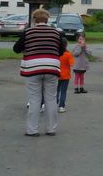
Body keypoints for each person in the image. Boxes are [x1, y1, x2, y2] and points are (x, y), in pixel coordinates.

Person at [13, 8, 66, 137]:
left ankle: (32, 130)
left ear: (34, 20)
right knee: (51, 99)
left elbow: (16, 49)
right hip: (52, 68)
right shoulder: (55, 32)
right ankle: (51, 129)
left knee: (34, 99)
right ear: (47, 19)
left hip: (33, 68)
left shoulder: (28, 32)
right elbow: (61, 51)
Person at [56, 45, 74, 113]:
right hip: (66, 76)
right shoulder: (68, 54)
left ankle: (55, 104)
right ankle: (61, 106)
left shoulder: (56, 54)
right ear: (66, 45)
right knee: (63, 91)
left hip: (57, 75)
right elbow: (72, 64)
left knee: (56, 91)